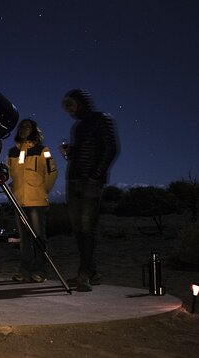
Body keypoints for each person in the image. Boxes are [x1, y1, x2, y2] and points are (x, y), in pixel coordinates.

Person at [61, 89, 119, 292]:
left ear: (81, 102)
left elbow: (111, 148)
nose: (70, 110)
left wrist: (96, 175)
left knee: (87, 227)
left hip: (90, 182)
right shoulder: (78, 126)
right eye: (67, 107)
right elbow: (84, 149)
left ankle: (84, 274)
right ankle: (92, 272)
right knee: (78, 229)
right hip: (74, 179)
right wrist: (71, 151)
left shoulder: (102, 119)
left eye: (72, 105)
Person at [6, 119, 57, 284]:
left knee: (39, 238)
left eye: (27, 126)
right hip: (19, 202)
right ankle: (25, 271)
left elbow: (51, 173)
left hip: (37, 201)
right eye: (21, 126)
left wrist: (42, 191)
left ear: (34, 130)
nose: (23, 129)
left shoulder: (44, 150)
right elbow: (9, 174)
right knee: (24, 239)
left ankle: (40, 271)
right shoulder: (12, 152)